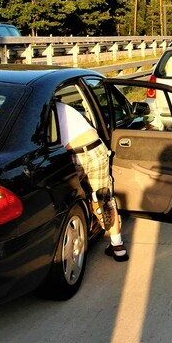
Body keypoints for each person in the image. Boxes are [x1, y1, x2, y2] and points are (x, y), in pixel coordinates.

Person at [56, 100, 128, 261]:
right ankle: (118, 247)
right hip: (95, 147)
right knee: (104, 198)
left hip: (74, 155)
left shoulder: (40, 110)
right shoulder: (66, 107)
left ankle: (72, 244)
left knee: (68, 201)